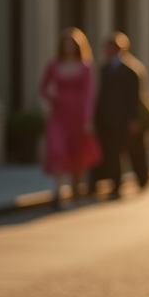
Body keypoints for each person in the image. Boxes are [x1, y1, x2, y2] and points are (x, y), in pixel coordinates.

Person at [39, 28, 97, 209]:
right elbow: (42, 88)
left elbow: (89, 94)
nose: (68, 47)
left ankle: (77, 188)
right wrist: (52, 96)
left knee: (77, 152)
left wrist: (88, 118)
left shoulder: (85, 67)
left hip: (78, 115)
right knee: (58, 150)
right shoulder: (53, 65)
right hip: (59, 115)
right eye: (66, 43)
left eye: (72, 44)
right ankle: (57, 192)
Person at [92, 32, 149, 197]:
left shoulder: (131, 70)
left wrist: (134, 120)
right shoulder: (105, 69)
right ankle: (115, 184)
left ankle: (142, 179)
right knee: (113, 154)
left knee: (136, 152)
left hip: (127, 120)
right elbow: (102, 95)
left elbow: (135, 98)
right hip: (110, 120)